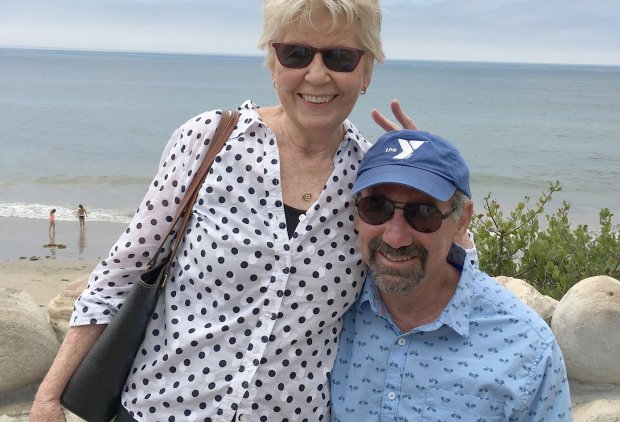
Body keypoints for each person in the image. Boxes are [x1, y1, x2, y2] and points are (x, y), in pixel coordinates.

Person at [30, 1, 387, 421]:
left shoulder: (376, 181)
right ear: (272, 63)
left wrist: (432, 186)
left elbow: (414, 291)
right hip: (160, 409)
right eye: (296, 53)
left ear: (366, 72)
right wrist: (49, 399)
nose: (316, 74)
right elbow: (119, 275)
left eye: (341, 57)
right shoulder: (209, 140)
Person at [330, 129, 572, 420]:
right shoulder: (333, 306)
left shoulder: (525, 347)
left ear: (462, 221)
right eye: (376, 207)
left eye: (422, 213)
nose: (395, 237)